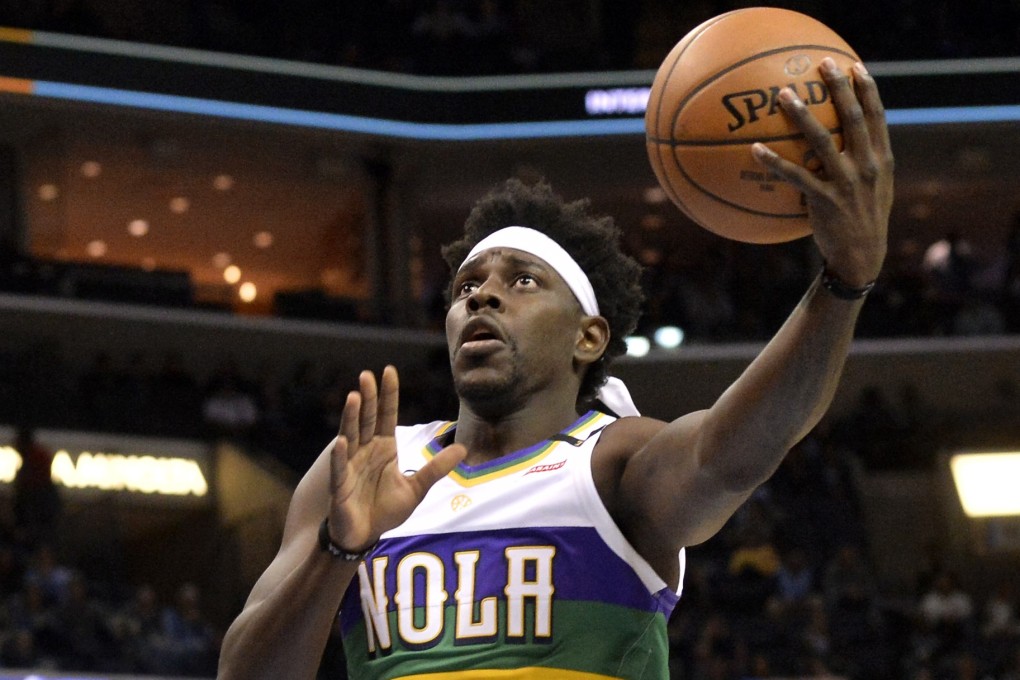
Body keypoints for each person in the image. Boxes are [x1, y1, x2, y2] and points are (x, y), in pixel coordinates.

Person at [219, 56, 893, 679]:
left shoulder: (610, 463)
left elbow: (734, 454)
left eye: (522, 282)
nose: (480, 294)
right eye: (465, 287)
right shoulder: (367, 470)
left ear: (588, 336)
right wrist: (337, 554)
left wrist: (841, 284)